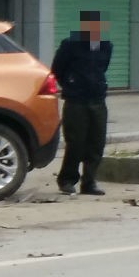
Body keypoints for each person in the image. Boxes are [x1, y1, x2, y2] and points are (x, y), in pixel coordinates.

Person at [51, 10, 112, 195]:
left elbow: (103, 68)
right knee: (76, 142)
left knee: (96, 143)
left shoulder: (106, 46)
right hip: (76, 101)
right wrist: (71, 85)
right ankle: (67, 180)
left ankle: (89, 182)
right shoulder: (71, 45)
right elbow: (57, 69)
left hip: (98, 100)